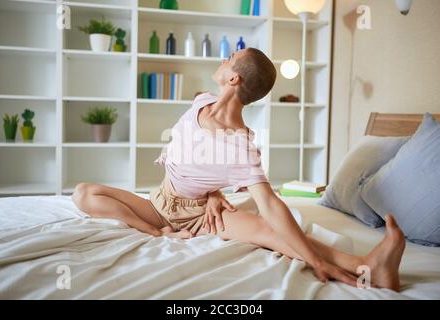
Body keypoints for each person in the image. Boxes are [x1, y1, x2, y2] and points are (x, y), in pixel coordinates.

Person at [72, 48, 406, 291]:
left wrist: (316, 263)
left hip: (201, 216)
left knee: (269, 232)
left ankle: (368, 267)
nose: (224, 58)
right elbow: (192, 159)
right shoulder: (200, 101)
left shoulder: (242, 144)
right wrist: (206, 198)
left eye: (230, 58)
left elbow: (272, 205)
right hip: (159, 205)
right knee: (83, 193)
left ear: (233, 77)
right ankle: (157, 231)